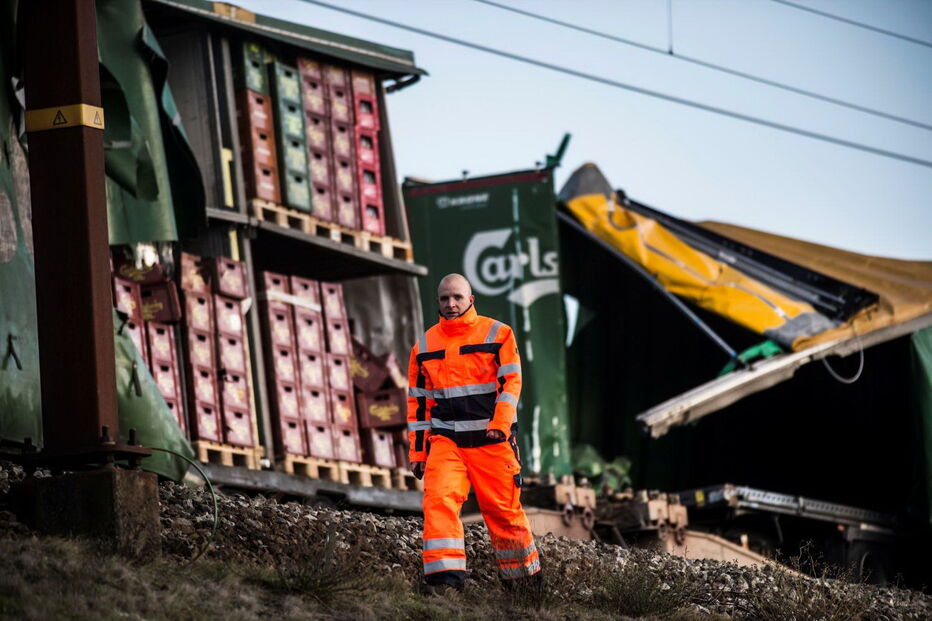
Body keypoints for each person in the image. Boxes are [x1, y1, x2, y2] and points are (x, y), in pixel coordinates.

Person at [407, 273, 541, 593]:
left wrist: (499, 424)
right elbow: (419, 405)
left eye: (456, 297)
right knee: (438, 502)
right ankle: (444, 584)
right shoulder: (424, 346)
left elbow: (511, 384)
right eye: (444, 299)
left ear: (471, 299)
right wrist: (418, 452)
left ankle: (524, 587)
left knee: (503, 512)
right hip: (446, 441)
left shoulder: (498, 333)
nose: (450, 304)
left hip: (491, 441)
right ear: (437, 302)